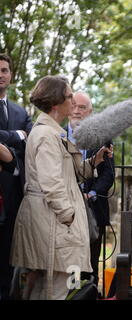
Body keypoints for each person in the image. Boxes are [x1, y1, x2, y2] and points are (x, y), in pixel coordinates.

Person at [10, 75, 112, 300]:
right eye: (69, 97)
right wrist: (69, 215)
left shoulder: (53, 132)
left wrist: (95, 162)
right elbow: (52, 183)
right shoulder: (46, 135)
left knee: (50, 285)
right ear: (56, 103)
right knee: (56, 288)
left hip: (53, 219)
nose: (73, 103)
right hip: (53, 221)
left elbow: (67, 174)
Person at [67, 91, 115, 288]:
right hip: (65, 209)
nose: (77, 111)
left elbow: (108, 175)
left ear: (90, 111)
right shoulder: (56, 134)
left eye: (83, 107)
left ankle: (90, 292)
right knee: (69, 262)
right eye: (74, 106)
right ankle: (70, 293)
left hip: (93, 209)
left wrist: (92, 193)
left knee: (91, 262)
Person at [0, 53, 33, 300]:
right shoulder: (19, 122)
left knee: (7, 259)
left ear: (10, 75)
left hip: (13, 195)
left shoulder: (21, 112)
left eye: (4, 70)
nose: (0, 75)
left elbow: (30, 144)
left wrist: (9, 153)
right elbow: (21, 139)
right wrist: (16, 136)